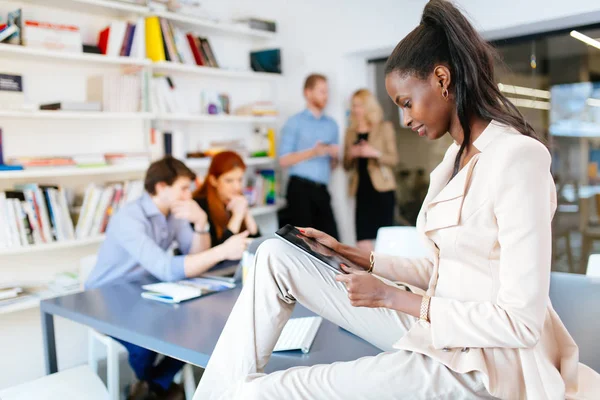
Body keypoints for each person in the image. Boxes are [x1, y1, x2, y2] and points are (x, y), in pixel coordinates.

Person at [193, 1, 600, 399]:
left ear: (442, 79)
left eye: (406, 103)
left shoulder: (518, 157)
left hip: (490, 363)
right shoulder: (453, 160)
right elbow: (446, 269)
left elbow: (520, 322)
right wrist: (357, 256)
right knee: (274, 256)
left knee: (260, 391)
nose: (405, 120)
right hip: (442, 328)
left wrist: (389, 295)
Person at [85, 156, 249, 400]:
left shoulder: (175, 213)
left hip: (143, 293)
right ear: (161, 187)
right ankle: (156, 386)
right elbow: (166, 268)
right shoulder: (129, 219)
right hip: (106, 298)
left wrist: (201, 223)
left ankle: (152, 386)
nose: (189, 195)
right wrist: (223, 250)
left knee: (201, 327)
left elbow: (197, 259)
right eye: (183, 188)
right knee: (146, 341)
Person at [278, 73, 340, 239]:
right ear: (308, 92)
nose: (326, 96)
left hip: (322, 191)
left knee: (332, 242)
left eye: (327, 92)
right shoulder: (294, 122)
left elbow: (333, 165)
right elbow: (283, 160)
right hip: (300, 190)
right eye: (321, 91)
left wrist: (334, 156)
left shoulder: (331, 124)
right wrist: (314, 152)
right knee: (304, 243)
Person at [343, 88, 398, 251]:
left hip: (382, 190)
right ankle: (369, 274)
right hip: (361, 191)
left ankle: (385, 275)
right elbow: (345, 166)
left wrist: (373, 153)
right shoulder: (350, 132)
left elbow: (393, 159)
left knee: (386, 240)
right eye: (353, 106)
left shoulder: (384, 128)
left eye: (359, 105)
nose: (356, 110)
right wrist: (351, 155)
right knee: (362, 242)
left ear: (368, 106)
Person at [193, 151, 261, 249]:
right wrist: (237, 216)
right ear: (213, 180)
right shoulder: (200, 204)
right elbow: (217, 254)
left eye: (240, 180)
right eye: (229, 181)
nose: (236, 187)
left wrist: (246, 214)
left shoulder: (237, 199)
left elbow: (257, 246)